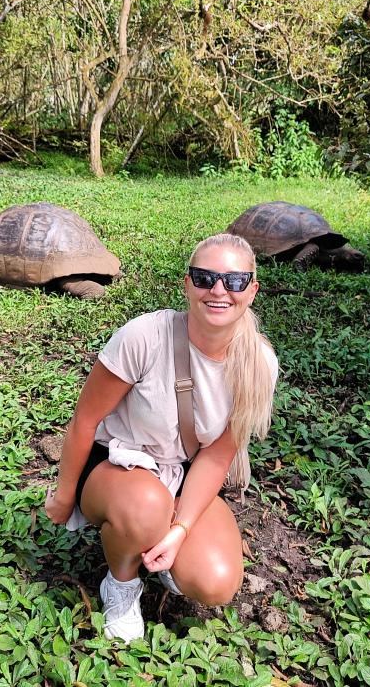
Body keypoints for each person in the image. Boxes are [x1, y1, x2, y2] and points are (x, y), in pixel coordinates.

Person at [44, 233, 278, 642]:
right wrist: (65, 495)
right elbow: (84, 420)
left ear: (252, 290)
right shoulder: (144, 336)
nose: (219, 290)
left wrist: (181, 529)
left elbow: (217, 456)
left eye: (235, 280)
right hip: (117, 464)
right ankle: (120, 584)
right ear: (186, 284)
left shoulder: (259, 362)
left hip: (182, 474)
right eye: (204, 277)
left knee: (216, 581)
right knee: (146, 504)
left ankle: (161, 543)